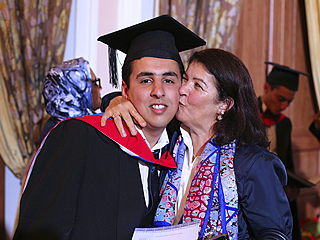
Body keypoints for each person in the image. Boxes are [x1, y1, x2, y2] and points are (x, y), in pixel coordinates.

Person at [13, 15, 205, 240]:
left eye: (169, 80)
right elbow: (39, 231)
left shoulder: (179, 150)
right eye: (145, 80)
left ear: (180, 88)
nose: (158, 91)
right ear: (125, 89)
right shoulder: (78, 138)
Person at [100, 49, 293, 239]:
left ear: (224, 105)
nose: (182, 90)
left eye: (198, 86)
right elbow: (136, 103)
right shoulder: (169, 142)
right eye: (184, 79)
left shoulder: (251, 163)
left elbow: (275, 234)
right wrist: (115, 100)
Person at [259, 62, 309, 240]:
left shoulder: (285, 123)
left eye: (289, 101)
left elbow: (287, 160)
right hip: (254, 189)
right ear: (266, 87)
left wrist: (293, 186)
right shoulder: (248, 114)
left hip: (278, 190)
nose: (284, 105)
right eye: (280, 98)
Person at [39, 57, 102, 142]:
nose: (100, 88)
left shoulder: (84, 122)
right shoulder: (63, 132)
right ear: (78, 88)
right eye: (95, 83)